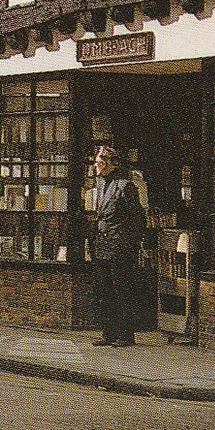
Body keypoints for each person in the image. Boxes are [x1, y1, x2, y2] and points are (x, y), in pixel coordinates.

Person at [91, 145, 145, 347]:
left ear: (109, 165)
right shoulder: (100, 184)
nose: (96, 165)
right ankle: (109, 333)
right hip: (103, 244)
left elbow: (138, 218)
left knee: (121, 291)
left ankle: (125, 334)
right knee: (105, 291)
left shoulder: (125, 186)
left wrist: (130, 244)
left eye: (99, 162)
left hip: (119, 246)